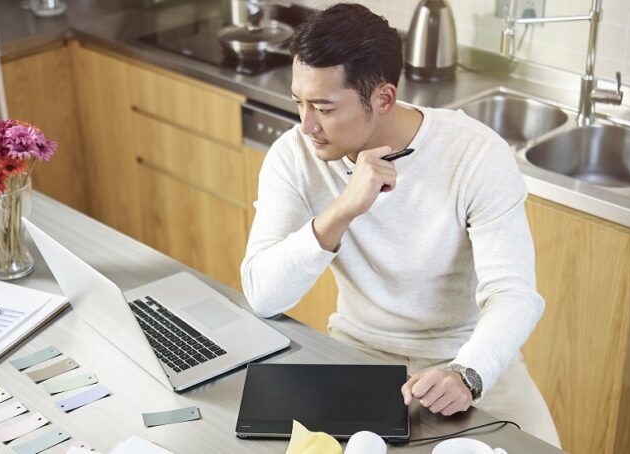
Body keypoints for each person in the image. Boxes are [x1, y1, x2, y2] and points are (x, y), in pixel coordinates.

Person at [239, 3, 561, 447]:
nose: (306, 124)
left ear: (384, 98)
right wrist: (343, 208)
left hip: (467, 357)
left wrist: (468, 373)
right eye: (299, 102)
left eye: (324, 107)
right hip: (358, 353)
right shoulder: (293, 156)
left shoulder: (476, 154)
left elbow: (515, 295)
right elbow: (262, 293)